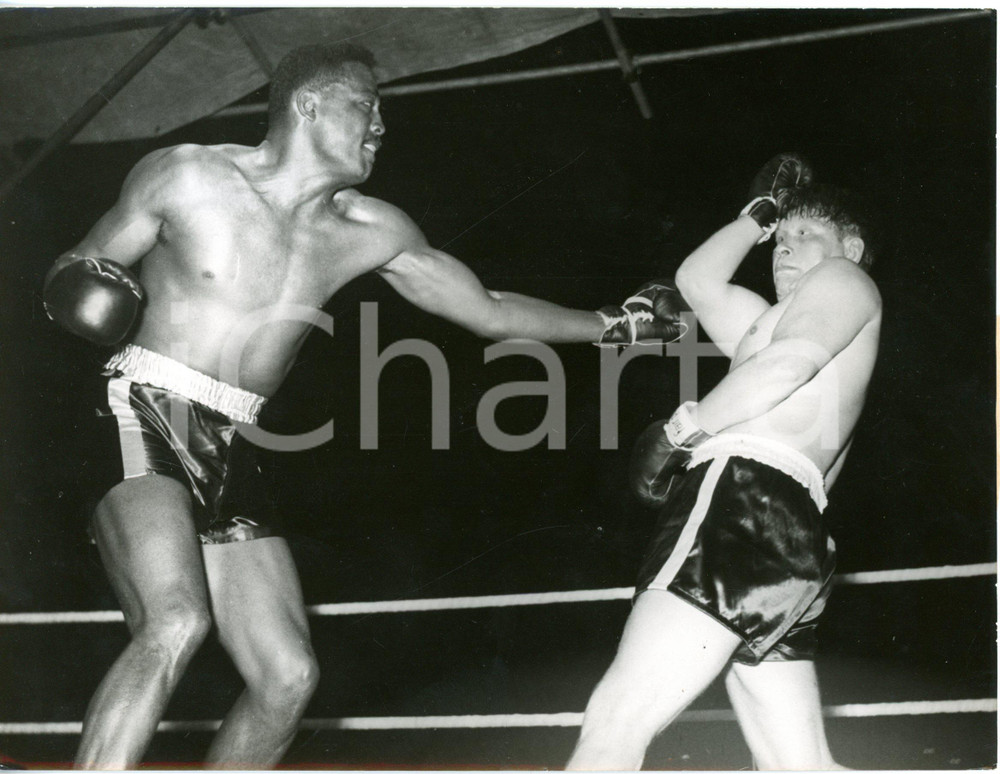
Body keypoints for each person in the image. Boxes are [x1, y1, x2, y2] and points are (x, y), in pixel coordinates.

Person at [41, 44, 687, 770]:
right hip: (142, 404)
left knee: (287, 677)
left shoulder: (371, 230)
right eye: (365, 105)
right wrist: (77, 287)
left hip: (234, 439)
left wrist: (616, 324)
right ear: (307, 103)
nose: (381, 123)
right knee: (176, 619)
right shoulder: (187, 175)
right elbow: (80, 262)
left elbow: (488, 309)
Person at [566, 154, 882, 771]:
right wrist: (759, 216)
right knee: (801, 768)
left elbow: (788, 366)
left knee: (616, 722)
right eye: (778, 241)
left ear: (850, 244)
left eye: (803, 235)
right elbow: (697, 281)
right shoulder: (767, 320)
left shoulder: (844, 278)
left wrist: (685, 430)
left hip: (743, 498)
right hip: (784, 528)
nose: (782, 250)